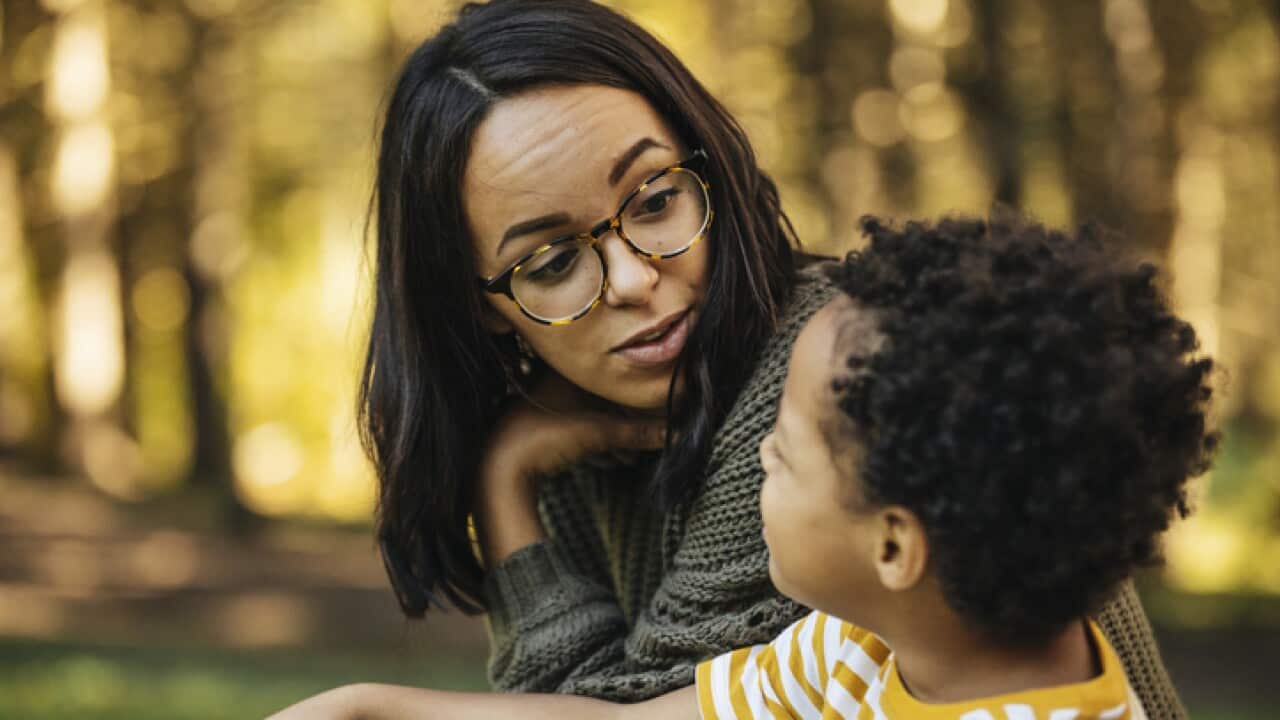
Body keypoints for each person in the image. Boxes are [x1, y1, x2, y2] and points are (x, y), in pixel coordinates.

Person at [358, 0, 1185, 713]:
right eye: (550, 263)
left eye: (654, 200)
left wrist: (504, 484)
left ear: (707, 167)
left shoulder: (833, 388)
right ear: (479, 306)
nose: (633, 279)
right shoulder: (578, 422)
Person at [270, 215, 1215, 719]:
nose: (756, 446)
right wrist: (369, 712)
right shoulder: (865, 650)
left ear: (894, 543)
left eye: (786, 449)